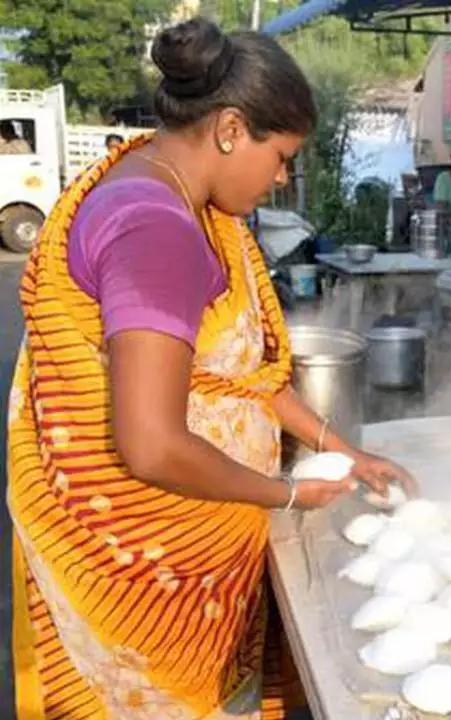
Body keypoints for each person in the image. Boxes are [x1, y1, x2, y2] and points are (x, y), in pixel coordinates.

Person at [7, 17, 411, 719]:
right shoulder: (154, 228)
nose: (282, 179)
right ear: (229, 129)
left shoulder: (173, 194)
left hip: (183, 561)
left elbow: (240, 378)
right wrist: (284, 494)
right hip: (139, 584)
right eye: (281, 155)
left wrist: (342, 450)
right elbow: (151, 443)